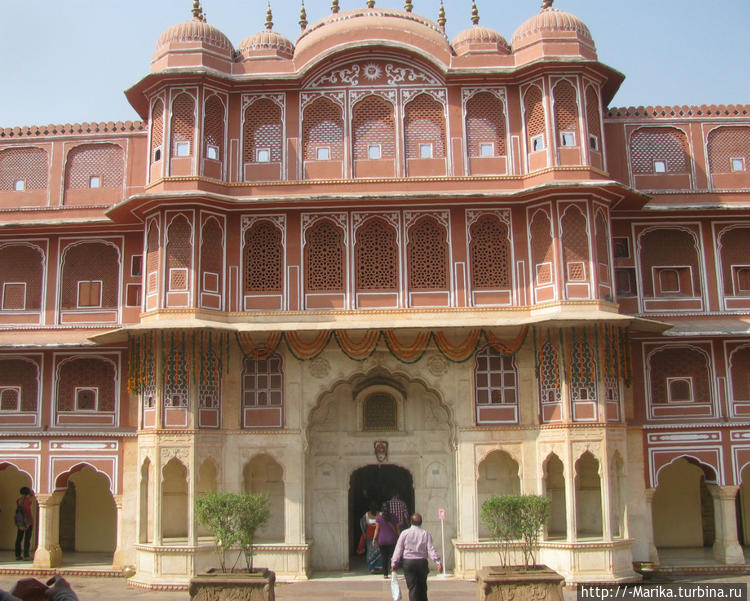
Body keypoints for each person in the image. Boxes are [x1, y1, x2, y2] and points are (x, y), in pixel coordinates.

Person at [391, 513, 441, 601]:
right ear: (421, 522)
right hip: (421, 563)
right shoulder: (425, 534)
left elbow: (398, 549)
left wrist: (394, 563)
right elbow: (431, 549)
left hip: (408, 562)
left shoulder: (404, 533)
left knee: (412, 588)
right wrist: (437, 562)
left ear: (411, 522)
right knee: (422, 587)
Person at [373, 503, 398, 578]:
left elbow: (377, 530)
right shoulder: (394, 517)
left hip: (382, 540)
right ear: (389, 509)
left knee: (384, 557)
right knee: (392, 557)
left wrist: (374, 539)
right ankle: (393, 572)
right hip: (392, 540)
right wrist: (399, 537)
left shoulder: (379, 518)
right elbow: (397, 529)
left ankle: (385, 574)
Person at [357, 502, 382, 573]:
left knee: (375, 552)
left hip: (375, 536)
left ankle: (376, 568)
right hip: (372, 536)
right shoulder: (368, 515)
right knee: (374, 552)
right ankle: (375, 568)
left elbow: (363, 525)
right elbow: (363, 525)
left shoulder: (379, 514)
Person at [14, 487, 34, 561]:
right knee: (27, 539)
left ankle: (17, 554)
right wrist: (30, 491)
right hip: (28, 521)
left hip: (20, 522)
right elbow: (33, 495)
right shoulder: (28, 500)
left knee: (19, 538)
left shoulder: (18, 500)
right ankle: (26, 555)